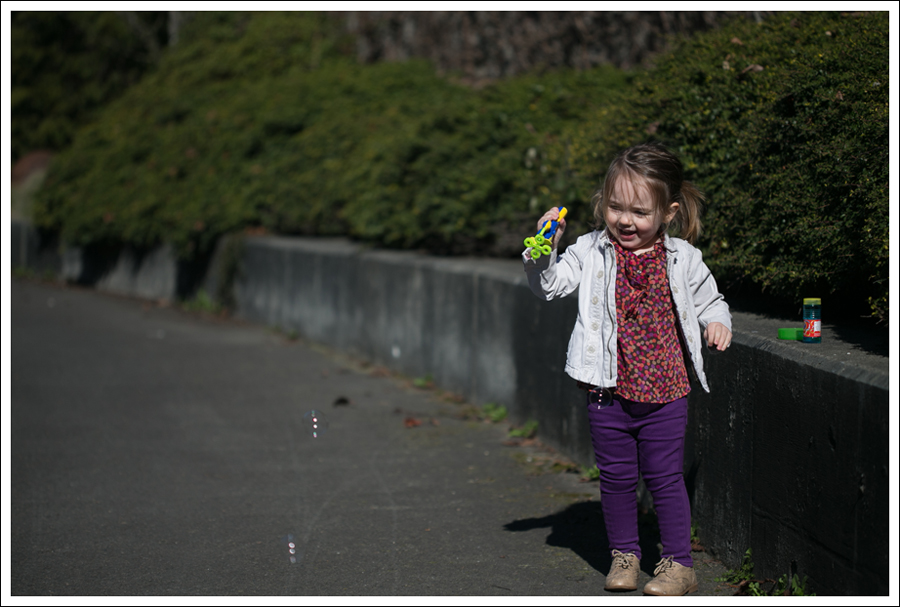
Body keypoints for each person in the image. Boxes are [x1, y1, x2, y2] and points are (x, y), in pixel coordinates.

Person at [522, 141, 732, 596]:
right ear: (603, 204)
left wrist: (716, 322)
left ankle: (678, 564)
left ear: (668, 212)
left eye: (639, 211)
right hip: (607, 390)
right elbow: (551, 286)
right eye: (615, 206)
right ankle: (625, 555)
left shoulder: (683, 259)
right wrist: (543, 252)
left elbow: (709, 300)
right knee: (616, 477)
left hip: (665, 389)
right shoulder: (590, 251)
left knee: (663, 476)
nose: (624, 220)